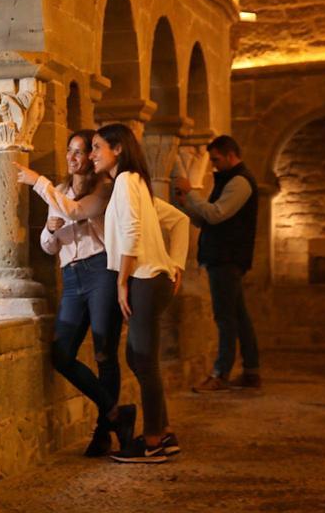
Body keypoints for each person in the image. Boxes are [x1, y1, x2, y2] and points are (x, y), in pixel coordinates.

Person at [14, 130, 135, 458]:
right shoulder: (61, 191)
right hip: (71, 276)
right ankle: (115, 413)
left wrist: (39, 181)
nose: (73, 157)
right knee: (62, 354)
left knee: (104, 354)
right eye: (70, 150)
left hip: (99, 272)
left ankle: (102, 433)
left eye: (81, 151)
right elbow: (49, 245)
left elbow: (75, 212)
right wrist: (49, 231)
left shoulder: (104, 190)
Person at [91, 123, 187, 464]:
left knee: (143, 359)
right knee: (139, 358)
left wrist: (122, 280)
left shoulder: (128, 180)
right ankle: (163, 433)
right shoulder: (136, 184)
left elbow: (131, 230)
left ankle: (151, 441)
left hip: (145, 278)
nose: (91, 155)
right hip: (151, 277)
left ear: (117, 148)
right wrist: (175, 262)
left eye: (96, 147)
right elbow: (180, 221)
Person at [175, 134, 262, 392]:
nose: (213, 165)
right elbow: (207, 218)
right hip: (223, 256)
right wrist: (187, 204)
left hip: (227, 258)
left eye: (216, 159)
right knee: (239, 316)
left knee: (225, 317)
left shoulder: (240, 181)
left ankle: (220, 374)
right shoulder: (228, 179)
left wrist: (191, 194)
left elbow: (216, 214)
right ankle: (251, 372)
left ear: (231, 155)